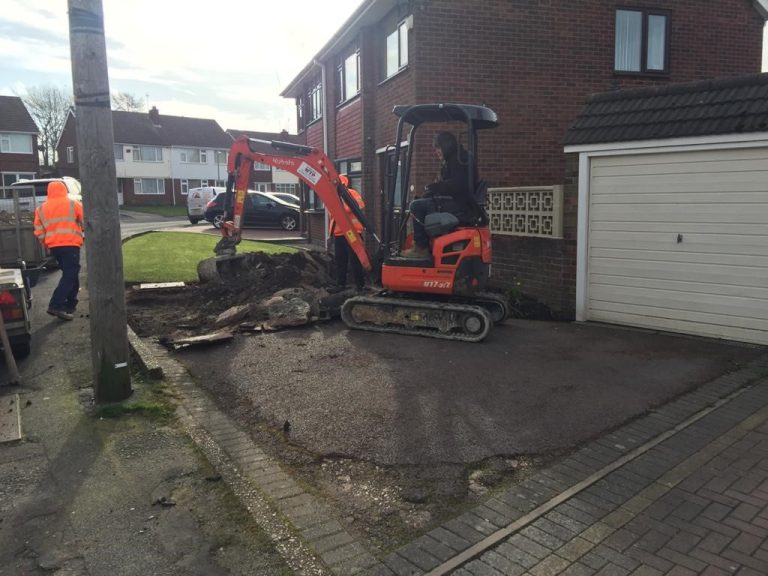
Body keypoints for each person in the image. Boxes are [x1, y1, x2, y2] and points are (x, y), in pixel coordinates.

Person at [402, 131, 476, 258]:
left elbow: (457, 185)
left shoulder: (458, 161)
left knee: (415, 206)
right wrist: (433, 191)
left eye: (438, 147)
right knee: (421, 201)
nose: (436, 151)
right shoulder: (459, 158)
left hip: (459, 204)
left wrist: (435, 187)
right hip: (460, 202)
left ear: (446, 146)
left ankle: (421, 248)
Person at [33, 181, 84, 321]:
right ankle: (56, 305)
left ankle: (71, 304)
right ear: (64, 190)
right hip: (71, 245)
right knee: (70, 274)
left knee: (71, 273)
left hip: (55, 247)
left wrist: (47, 242)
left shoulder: (41, 209)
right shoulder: (73, 204)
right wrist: (82, 233)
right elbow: (84, 220)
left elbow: (38, 231)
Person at [329, 174, 366, 291]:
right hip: (339, 234)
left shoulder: (351, 193)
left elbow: (357, 206)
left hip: (352, 233)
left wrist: (341, 202)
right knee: (340, 260)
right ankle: (341, 284)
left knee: (355, 260)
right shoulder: (333, 196)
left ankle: (360, 285)